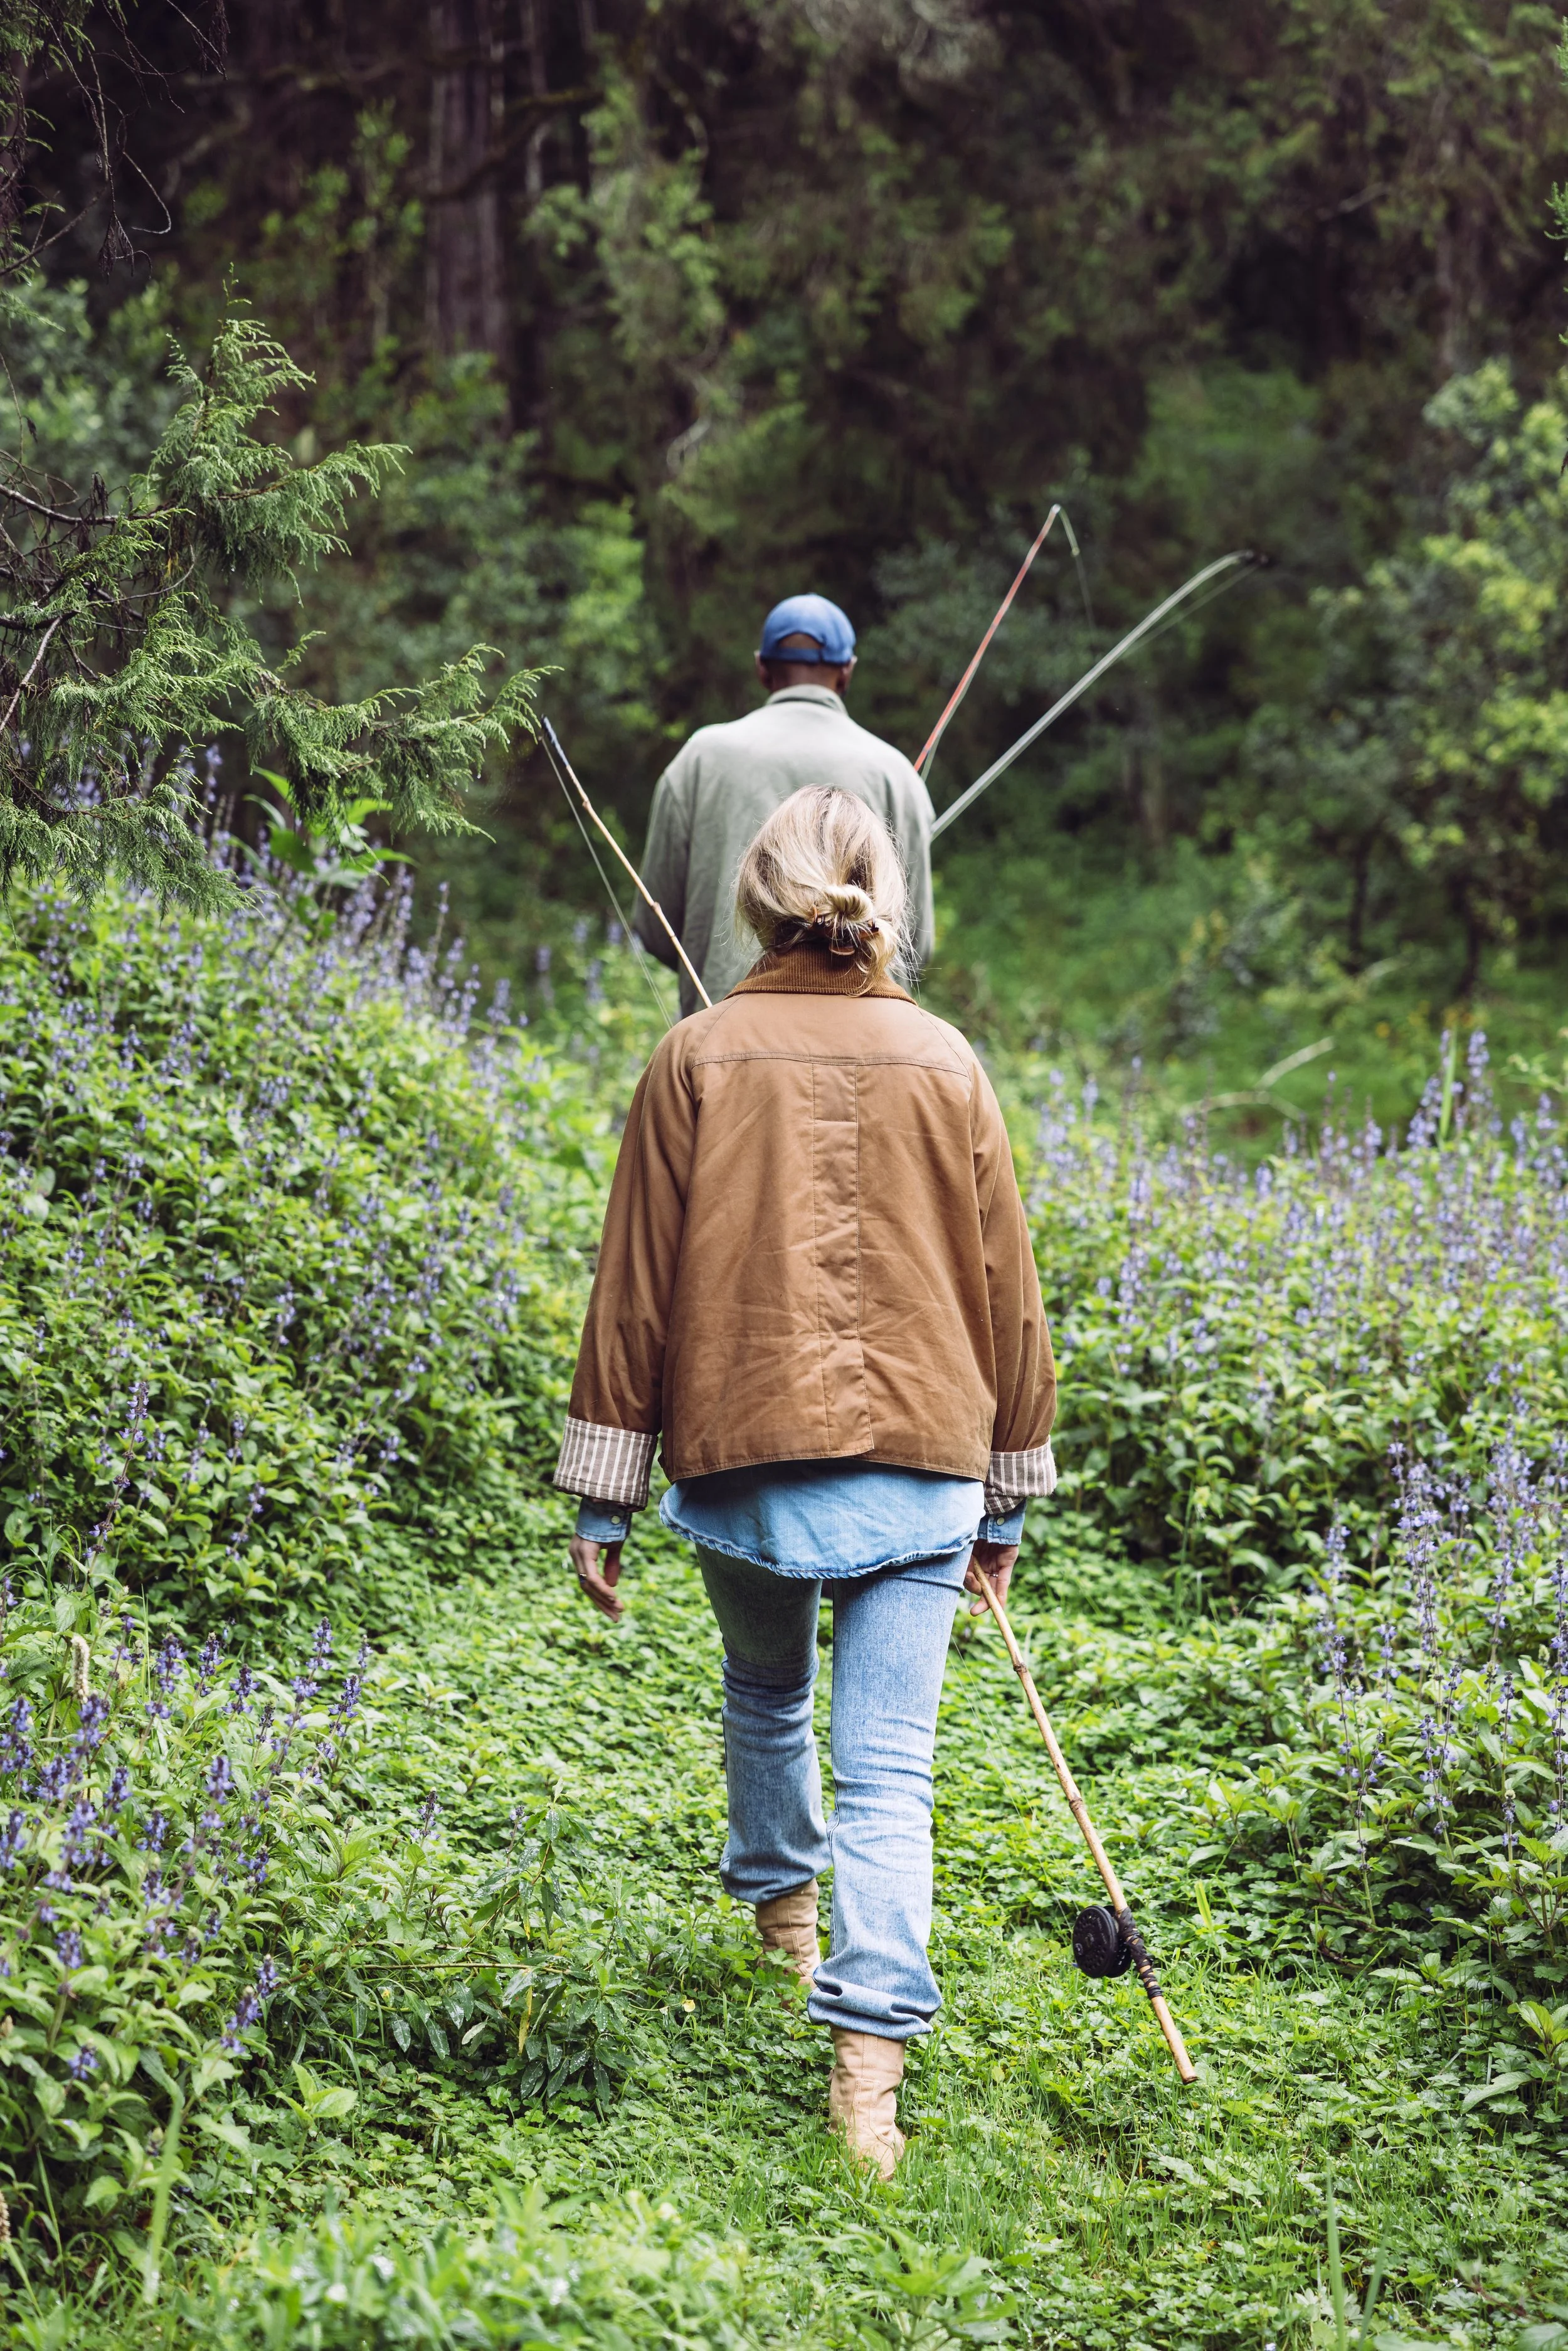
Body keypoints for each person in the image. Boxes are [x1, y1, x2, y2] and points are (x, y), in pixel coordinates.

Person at [554, 787, 1056, 2178]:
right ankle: (866, 2087)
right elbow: (1007, 1289)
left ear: (751, 897)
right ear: (881, 894)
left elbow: (634, 1285)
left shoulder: (694, 1051)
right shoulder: (945, 1058)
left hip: (741, 1459)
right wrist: (1005, 1492)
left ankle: (783, 1925)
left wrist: (603, 1490)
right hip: (923, 1460)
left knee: (766, 1691)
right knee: (891, 1771)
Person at [633, 594, 936, 1015]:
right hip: (871, 1048)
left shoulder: (700, 758)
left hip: (723, 1041)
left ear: (762, 668)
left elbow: (656, 928)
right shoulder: (895, 773)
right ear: (846, 672)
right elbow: (914, 946)